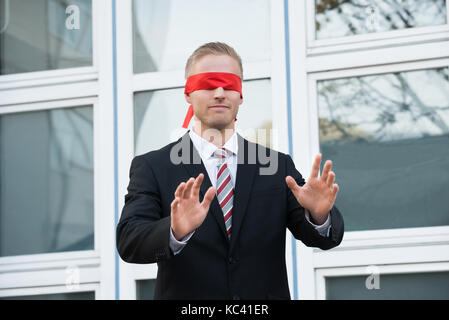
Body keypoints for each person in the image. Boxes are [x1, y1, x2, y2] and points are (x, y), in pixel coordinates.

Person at [116, 42, 344, 300]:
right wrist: (174, 231)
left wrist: (318, 215)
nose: (220, 92)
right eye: (209, 83)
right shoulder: (154, 166)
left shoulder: (276, 166)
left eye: (230, 84)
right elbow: (128, 241)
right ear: (188, 94)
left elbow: (324, 239)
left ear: (241, 95)